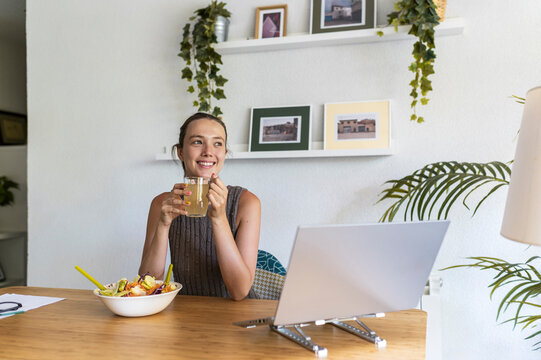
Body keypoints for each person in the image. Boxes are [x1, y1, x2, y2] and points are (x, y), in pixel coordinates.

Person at [139, 113, 261, 300]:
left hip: (239, 316)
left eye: (217, 143)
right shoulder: (162, 204)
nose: (208, 151)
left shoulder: (247, 202)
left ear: (225, 154)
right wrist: (163, 225)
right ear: (181, 152)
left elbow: (239, 291)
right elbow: (147, 284)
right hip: (187, 314)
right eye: (197, 142)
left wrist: (219, 219)